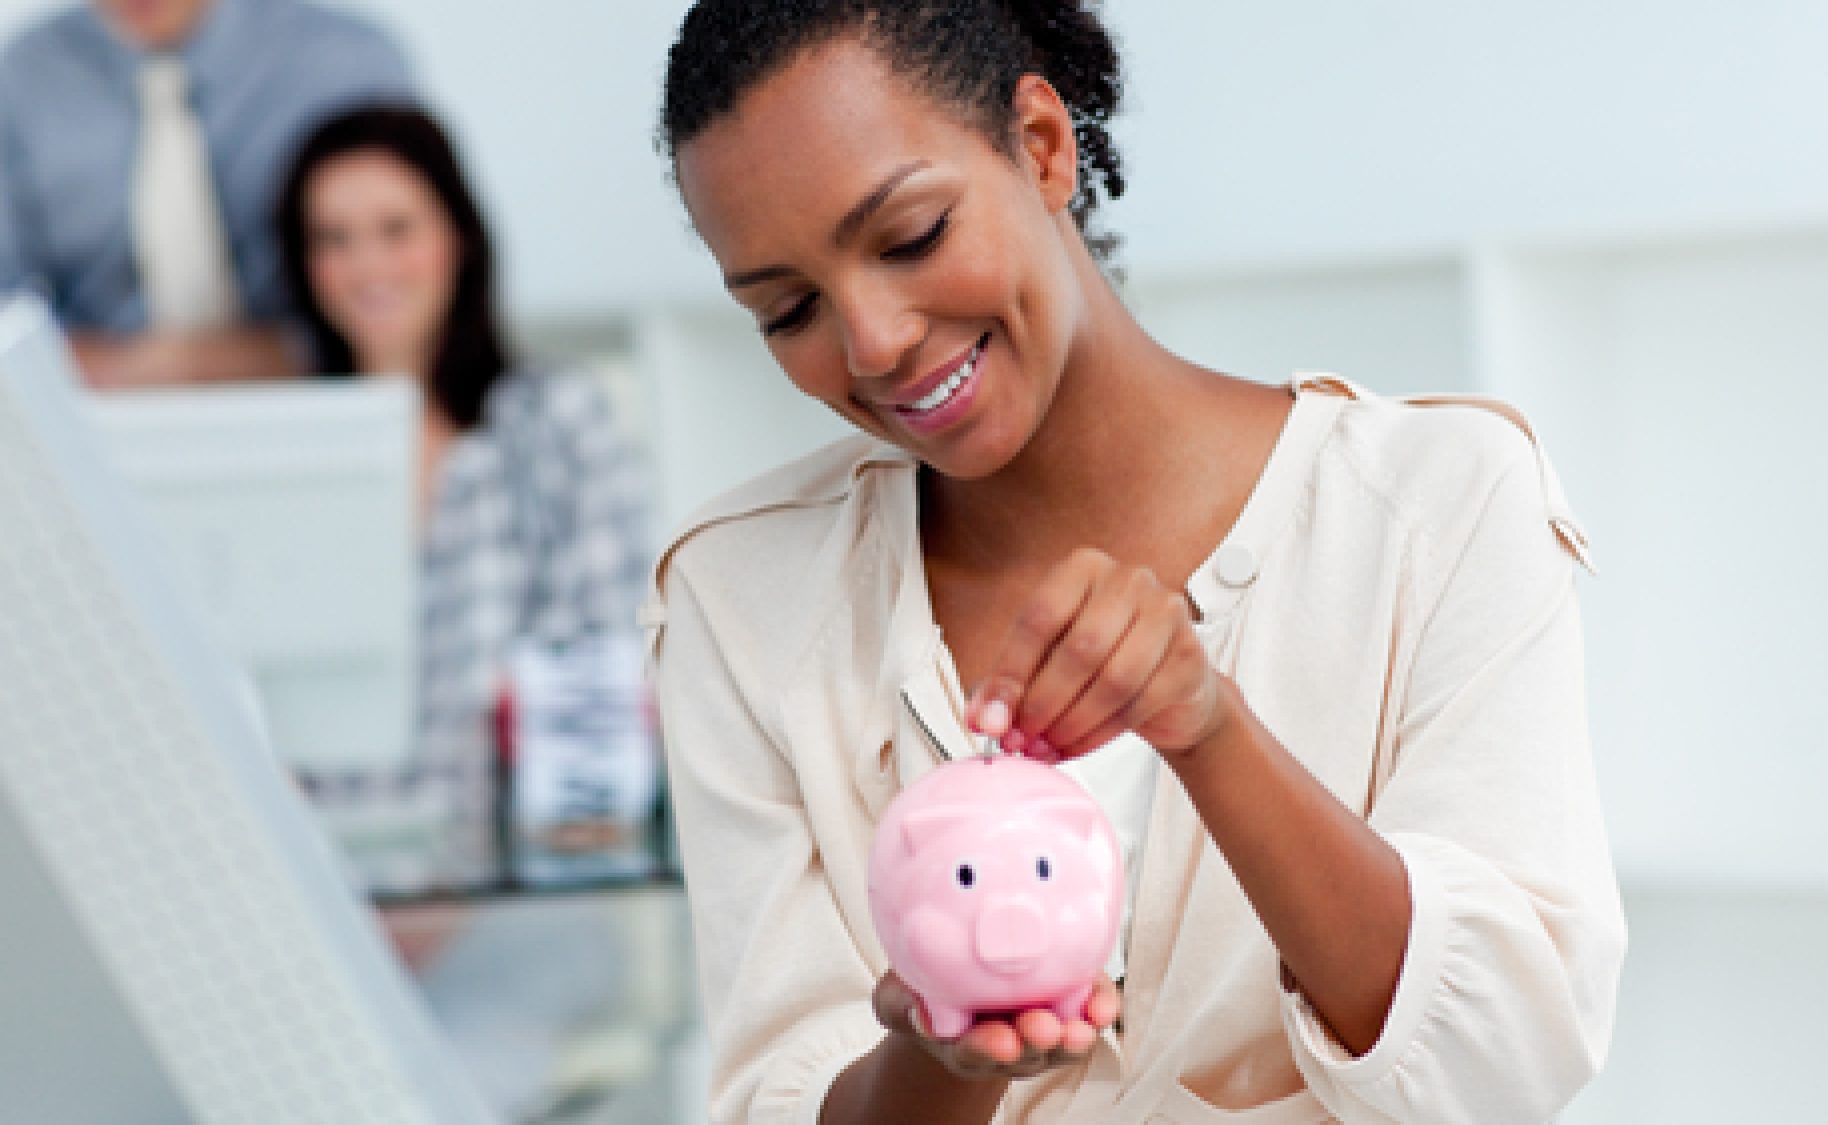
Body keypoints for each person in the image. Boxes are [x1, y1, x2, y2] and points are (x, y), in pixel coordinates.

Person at [641, 2, 1627, 1123]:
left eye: (911, 236)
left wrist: (1208, 727)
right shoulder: (738, 599)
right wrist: (942, 1051)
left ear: (1042, 147)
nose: (870, 342)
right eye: (788, 309)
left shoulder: (1433, 505)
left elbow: (1499, 1069)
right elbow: (786, 1094)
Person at [273, 103, 656, 1116]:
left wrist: (433, 909)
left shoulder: (551, 425)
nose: (367, 265)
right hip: (325, 926)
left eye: (394, 227)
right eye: (333, 238)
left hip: (519, 913)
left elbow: (604, 693)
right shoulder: (281, 460)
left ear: (455, 238)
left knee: (416, 1096)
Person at [0, 0, 414, 387]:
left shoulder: (344, 66)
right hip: (99, 426)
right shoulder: (20, 83)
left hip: (327, 401)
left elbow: (415, 290)